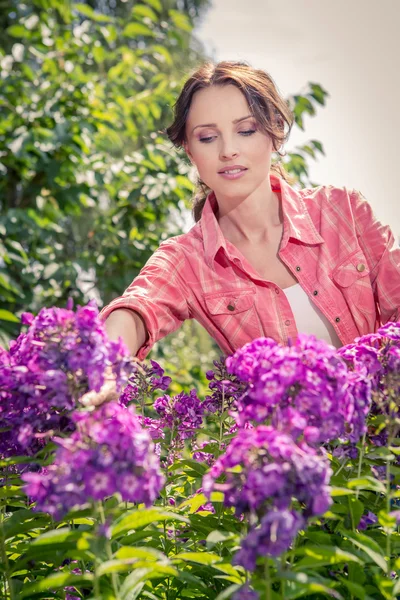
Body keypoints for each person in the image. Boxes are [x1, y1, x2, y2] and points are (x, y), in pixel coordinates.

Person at [88, 60, 400, 405]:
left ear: (274, 132)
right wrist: (106, 365)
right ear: (189, 150)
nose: (228, 151)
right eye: (207, 137)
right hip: (286, 452)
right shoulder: (187, 259)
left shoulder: (343, 211)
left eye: (246, 130)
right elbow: (137, 308)